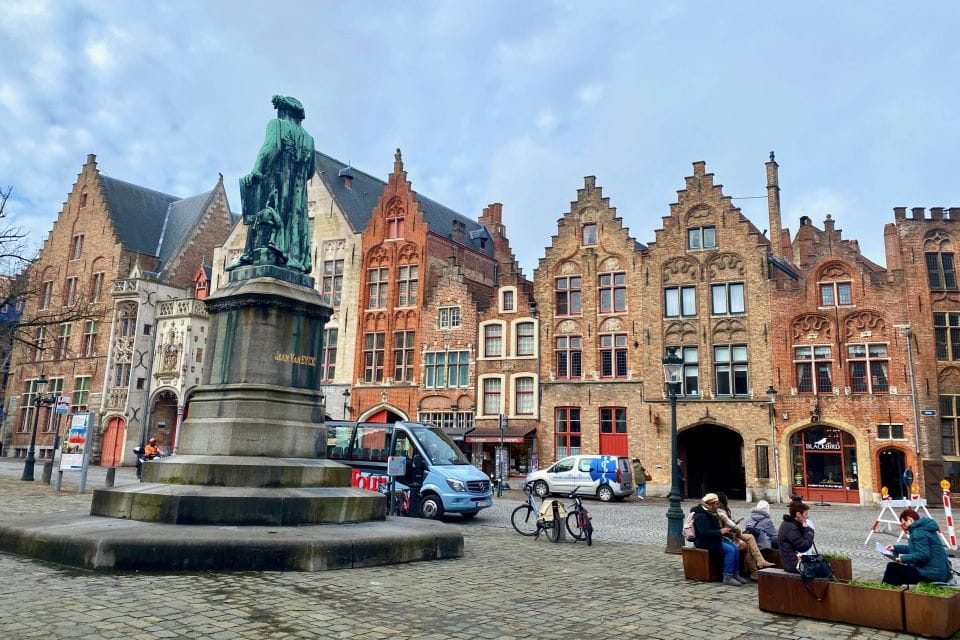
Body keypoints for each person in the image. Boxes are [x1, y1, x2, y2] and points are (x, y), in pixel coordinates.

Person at [882, 508, 953, 586]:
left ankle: (887, 594)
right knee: (897, 570)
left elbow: (923, 555)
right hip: (936, 572)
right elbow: (915, 549)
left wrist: (903, 559)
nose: (904, 526)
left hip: (931, 574)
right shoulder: (923, 529)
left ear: (910, 520)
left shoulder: (918, 532)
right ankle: (896, 594)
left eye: (904, 523)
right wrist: (895, 548)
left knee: (892, 568)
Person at [716, 492, 775, 579]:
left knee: (749, 540)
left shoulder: (748, 517)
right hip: (729, 535)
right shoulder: (720, 511)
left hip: (731, 533)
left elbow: (728, 523)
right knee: (747, 542)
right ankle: (756, 567)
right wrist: (736, 528)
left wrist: (734, 523)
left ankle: (755, 569)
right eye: (726, 499)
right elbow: (729, 524)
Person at [692, 492, 745, 587]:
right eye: (716, 503)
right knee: (730, 550)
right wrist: (720, 532)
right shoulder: (701, 515)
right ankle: (727, 576)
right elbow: (704, 532)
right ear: (711, 504)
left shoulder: (712, 513)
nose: (718, 505)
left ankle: (735, 573)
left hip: (714, 538)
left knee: (735, 547)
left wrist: (724, 530)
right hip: (704, 542)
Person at [778, 500, 815, 573]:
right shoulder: (791, 527)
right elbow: (804, 546)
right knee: (821, 570)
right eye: (805, 514)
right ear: (798, 514)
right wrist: (808, 530)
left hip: (793, 561)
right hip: (794, 564)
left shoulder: (791, 524)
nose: (807, 517)